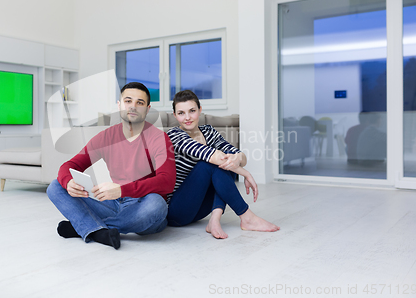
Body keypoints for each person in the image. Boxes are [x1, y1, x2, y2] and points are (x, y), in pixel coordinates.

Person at [47, 82, 176, 249]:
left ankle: (86, 227)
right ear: (119, 105)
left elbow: (167, 181)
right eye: (128, 101)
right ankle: (97, 230)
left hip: (142, 206)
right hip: (112, 202)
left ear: (147, 108)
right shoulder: (106, 137)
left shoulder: (158, 138)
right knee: (55, 186)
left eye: (140, 103)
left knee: (157, 205)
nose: (133, 107)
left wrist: (122, 190)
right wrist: (69, 182)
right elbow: (70, 165)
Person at [166, 90, 279, 239]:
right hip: (177, 211)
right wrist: (246, 173)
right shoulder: (174, 135)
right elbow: (210, 155)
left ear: (200, 110)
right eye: (181, 113)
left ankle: (214, 219)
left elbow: (238, 155)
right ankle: (247, 217)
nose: (187, 117)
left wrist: (238, 158)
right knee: (209, 164)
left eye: (192, 111)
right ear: (175, 115)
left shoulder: (209, 131)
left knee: (229, 163)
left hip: (199, 209)